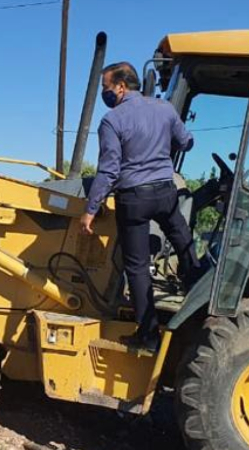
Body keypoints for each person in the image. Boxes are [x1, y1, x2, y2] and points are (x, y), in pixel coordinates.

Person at [79, 61, 198, 351]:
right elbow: (186, 143)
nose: (105, 94)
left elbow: (108, 171)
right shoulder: (165, 108)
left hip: (133, 199)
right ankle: (198, 296)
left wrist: (90, 210)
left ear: (120, 87)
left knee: (137, 268)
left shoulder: (112, 121)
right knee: (184, 242)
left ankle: (147, 335)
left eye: (105, 88)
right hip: (164, 192)